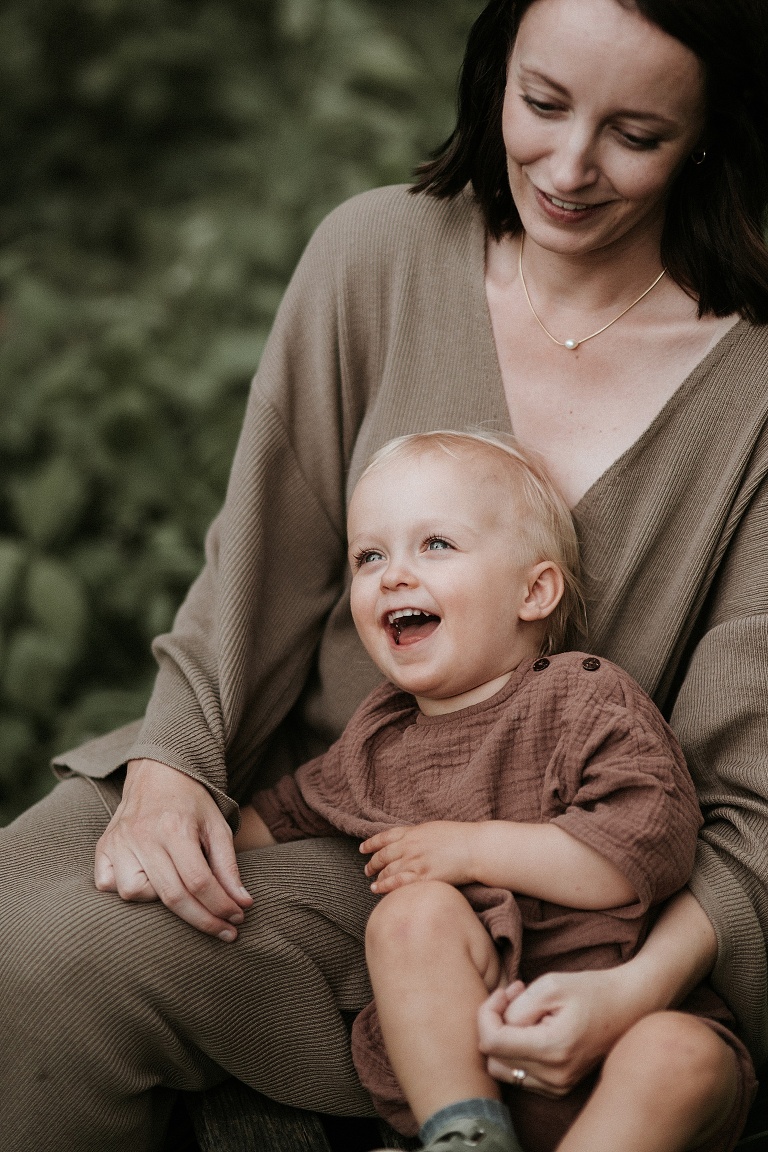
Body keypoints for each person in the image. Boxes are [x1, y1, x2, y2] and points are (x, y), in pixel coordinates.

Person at [1, 0, 768, 1149]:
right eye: (542, 103)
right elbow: (253, 571)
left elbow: (750, 799)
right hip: (307, 786)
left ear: (708, 133)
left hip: (556, 903)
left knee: (54, 960)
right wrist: (172, 768)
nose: (569, 167)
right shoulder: (377, 255)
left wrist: (633, 991)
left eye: (635, 134)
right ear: (495, 72)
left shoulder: (752, 387)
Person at [234, 429, 754, 1152]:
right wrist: (201, 839)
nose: (394, 575)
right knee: (410, 916)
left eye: (435, 545)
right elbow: (280, 815)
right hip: (471, 1061)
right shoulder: (376, 740)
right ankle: (464, 1135)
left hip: (623, 1032)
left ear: (533, 592)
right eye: (369, 556)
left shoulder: (582, 699)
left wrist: (473, 849)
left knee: (683, 1054)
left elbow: (647, 847)